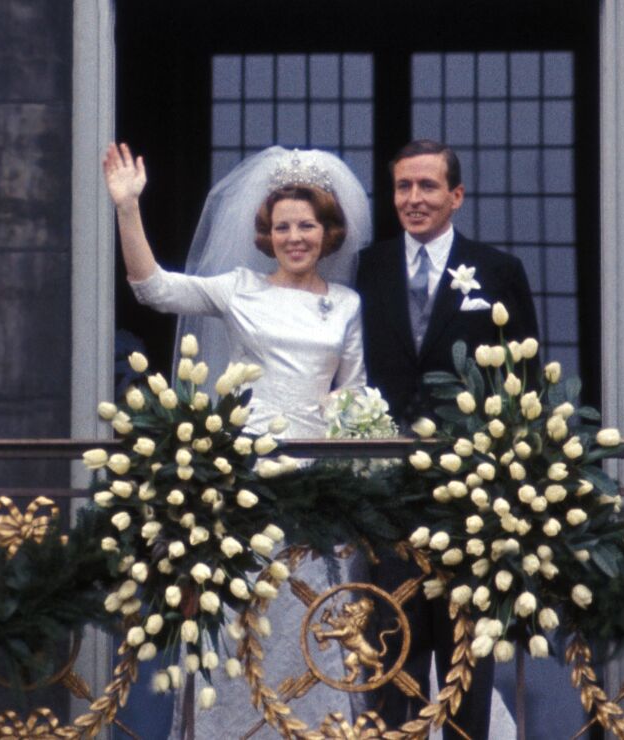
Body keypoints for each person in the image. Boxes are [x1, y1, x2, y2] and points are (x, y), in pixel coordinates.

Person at [103, 142, 373, 735]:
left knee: (316, 631)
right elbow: (154, 288)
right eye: (282, 227)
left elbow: (350, 395)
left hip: (319, 495)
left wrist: (357, 452)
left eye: (306, 225)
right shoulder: (240, 288)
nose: (295, 237)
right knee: (239, 631)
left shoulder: (347, 304)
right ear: (265, 233)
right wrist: (127, 208)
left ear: (328, 232)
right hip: (245, 491)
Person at [356, 139, 538, 739]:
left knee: (466, 648)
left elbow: (525, 380)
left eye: (427, 186)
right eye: (403, 187)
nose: (414, 199)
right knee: (390, 639)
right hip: (386, 493)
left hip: (469, 492)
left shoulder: (498, 270)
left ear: (455, 196)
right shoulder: (367, 266)